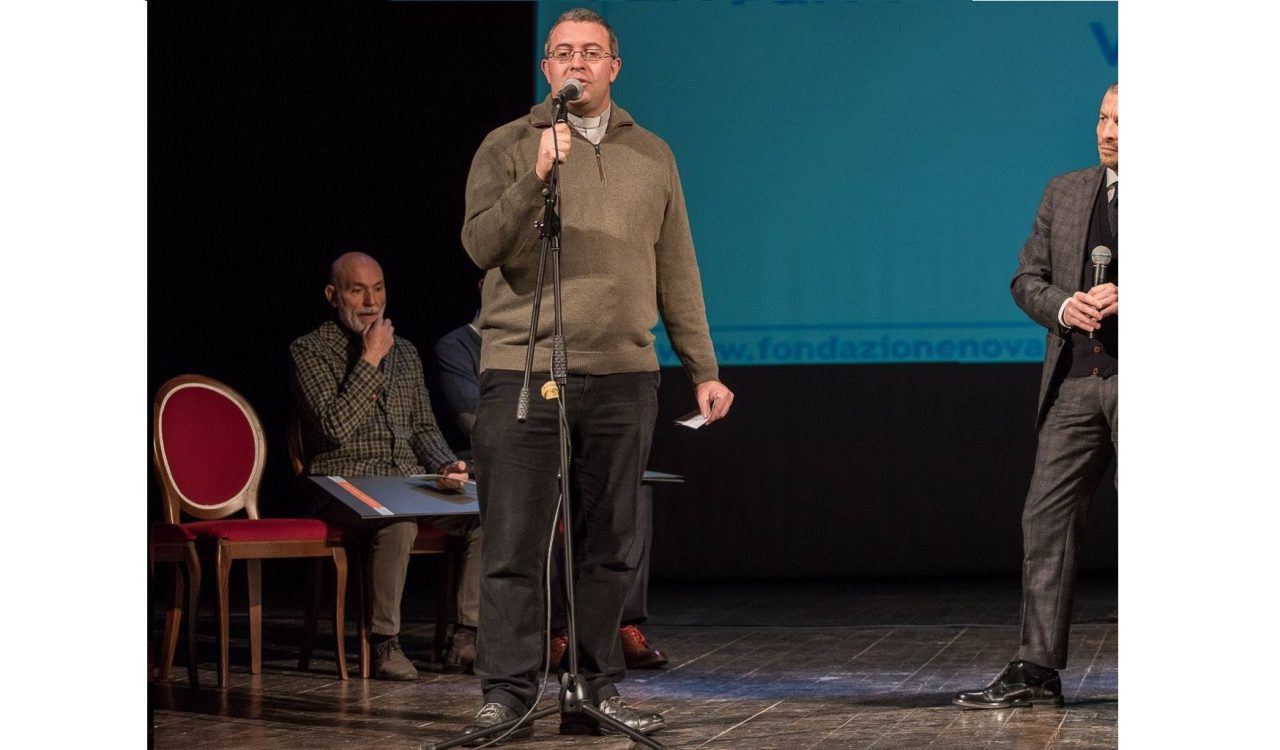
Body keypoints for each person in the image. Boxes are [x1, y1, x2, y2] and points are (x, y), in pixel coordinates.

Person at [457, 8, 734, 743]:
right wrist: (537, 175)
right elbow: (480, 244)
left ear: (615, 66)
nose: (575, 64)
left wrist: (701, 367)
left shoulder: (654, 154)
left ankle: (590, 687)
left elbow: (676, 268)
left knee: (607, 547)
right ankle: (508, 695)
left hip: (622, 375)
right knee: (513, 545)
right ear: (546, 68)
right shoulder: (509, 146)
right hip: (521, 370)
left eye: (591, 53)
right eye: (561, 53)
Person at [953, 84, 1119, 710]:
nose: (1107, 131)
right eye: (1102, 118)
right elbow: (1026, 279)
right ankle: (1037, 669)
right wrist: (1063, 306)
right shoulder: (1066, 190)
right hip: (1075, 383)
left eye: (1122, 122)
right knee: (1045, 520)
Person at [431, 287, 671, 672]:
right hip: (487, 461)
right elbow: (475, 421)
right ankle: (557, 630)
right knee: (551, 499)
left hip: (564, 448)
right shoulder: (459, 346)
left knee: (632, 495)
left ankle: (619, 622)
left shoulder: (550, 340)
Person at [289, 251, 484, 680]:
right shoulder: (309, 350)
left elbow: (423, 427)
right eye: (357, 290)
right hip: (341, 481)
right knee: (397, 523)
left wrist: (446, 463)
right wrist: (371, 359)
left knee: (482, 515)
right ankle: (383, 645)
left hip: (404, 480)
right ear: (332, 294)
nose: (370, 301)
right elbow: (335, 427)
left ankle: (466, 639)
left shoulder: (406, 352)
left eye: (377, 289)